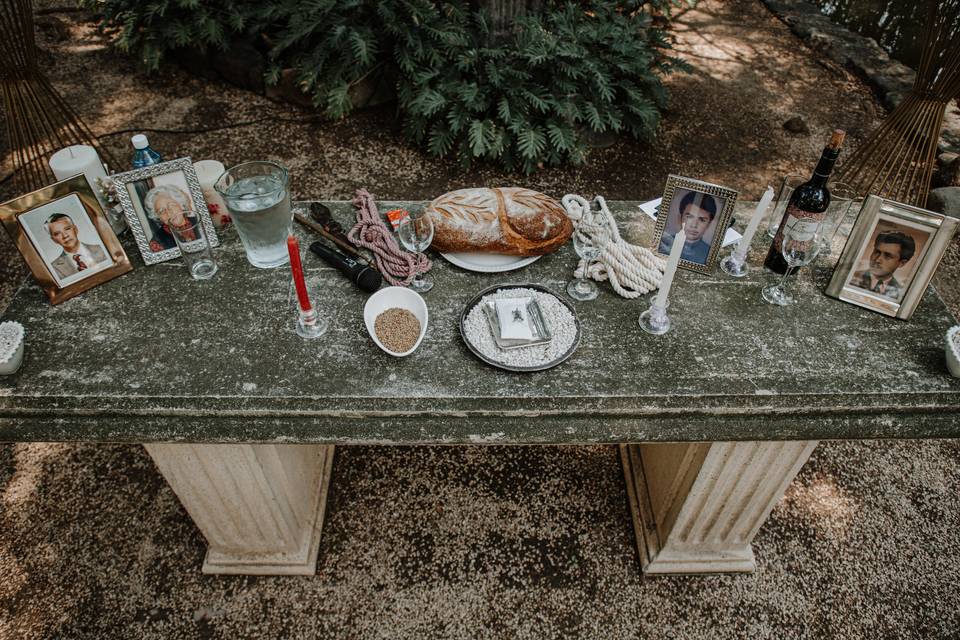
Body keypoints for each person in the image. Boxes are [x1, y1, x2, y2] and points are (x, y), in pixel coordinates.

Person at [851, 230, 916, 301]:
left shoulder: (901, 294)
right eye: (876, 252)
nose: (877, 260)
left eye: (888, 256)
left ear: (902, 263)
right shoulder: (851, 276)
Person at [658, 191, 718, 264]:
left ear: (708, 224)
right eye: (689, 217)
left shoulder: (709, 254)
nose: (694, 225)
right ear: (680, 218)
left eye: (702, 220)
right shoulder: (662, 242)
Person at [45, 213, 108, 280]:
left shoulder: (102, 248)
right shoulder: (54, 269)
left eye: (67, 229)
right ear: (54, 240)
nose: (65, 236)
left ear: (75, 229)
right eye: (57, 233)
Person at [143, 184, 199, 252]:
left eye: (171, 205)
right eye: (161, 211)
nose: (168, 213)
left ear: (181, 205)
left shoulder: (200, 222)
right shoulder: (156, 243)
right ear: (158, 217)